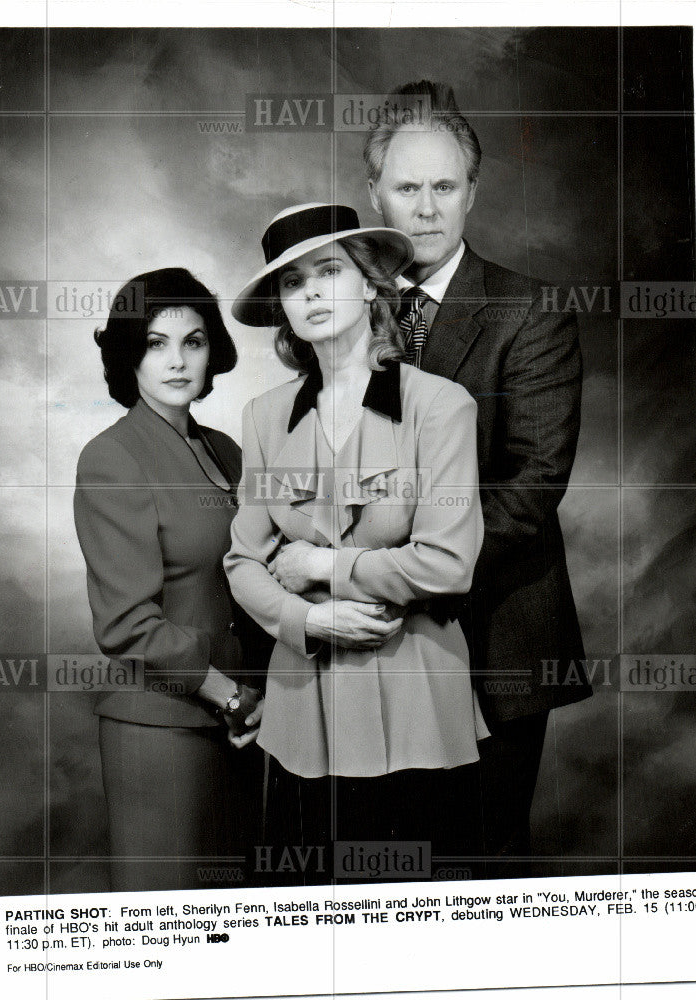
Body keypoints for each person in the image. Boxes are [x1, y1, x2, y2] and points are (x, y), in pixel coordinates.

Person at [224, 203, 490, 884]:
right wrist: (305, 617)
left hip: (415, 707)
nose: (309, 292)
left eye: (329, 271)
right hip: (300, 712)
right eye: (291, 282)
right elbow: (244, 559)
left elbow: (448, 563)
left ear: (371, 284)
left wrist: (324, 566)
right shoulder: (264, 416)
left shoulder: (440, 405)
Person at [364, 80, 591, 876]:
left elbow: (533, 483)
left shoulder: (528, 310)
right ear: (375, 195)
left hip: (495, 639)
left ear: (472, 193)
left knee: (475, 870)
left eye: (444, 187)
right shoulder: (346, 312)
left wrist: (403, 576)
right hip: (367, 650)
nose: (426, 209)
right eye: (407, 188)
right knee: (384, 867)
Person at [73, 267, 268, 892]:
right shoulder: (111, 457)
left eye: (194, 341)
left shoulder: (228, 450)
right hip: (162, 730)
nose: (178, 361)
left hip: (247, 724)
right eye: (156, 343)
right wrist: (229, 695)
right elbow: (127, 625)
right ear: (130, 354)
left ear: (215, 351)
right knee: (168, 938)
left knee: (238, 939)